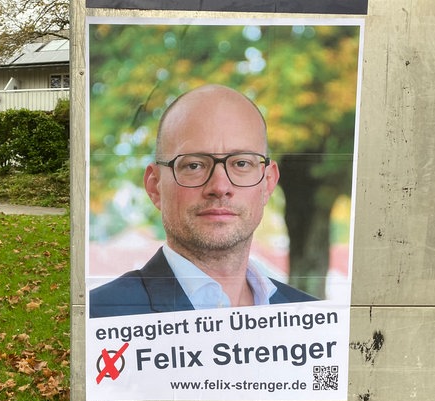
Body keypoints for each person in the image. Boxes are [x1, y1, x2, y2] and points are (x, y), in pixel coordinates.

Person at [90, 84, 316, 318]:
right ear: (155, 186)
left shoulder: (314, 323)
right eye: (194, 165)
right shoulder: (99, 317)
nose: (219, 187)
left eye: (241, 164)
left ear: (268, 183)